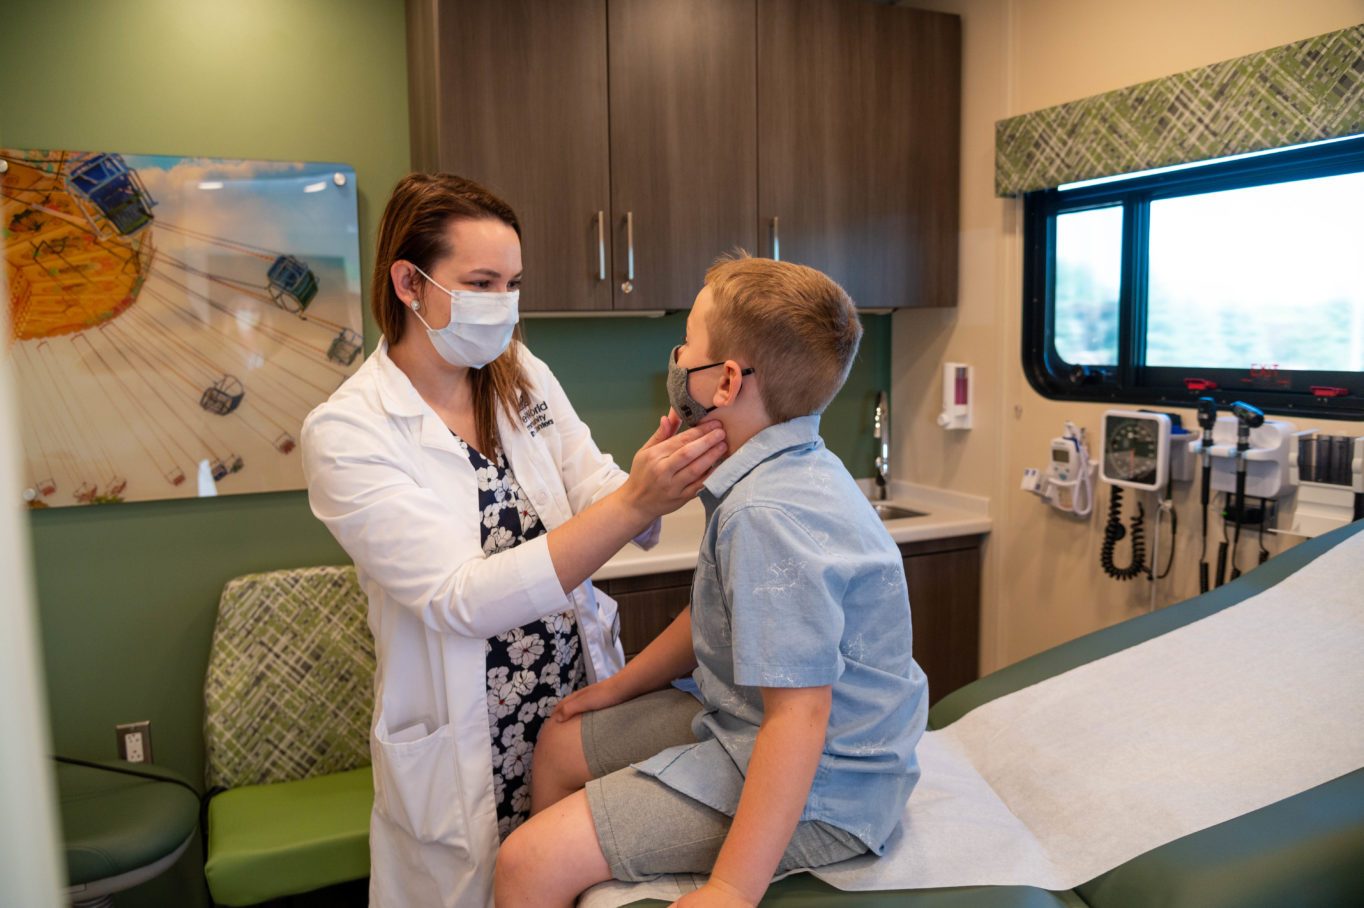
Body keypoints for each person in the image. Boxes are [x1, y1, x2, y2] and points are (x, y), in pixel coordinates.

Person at [301, 173, 727, 908]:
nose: (504, 302)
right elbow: (458, 599)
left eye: (514, 282)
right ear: (409, 281)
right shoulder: (347, 433)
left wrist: (656, 480)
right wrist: (632, 504)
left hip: (567, 704)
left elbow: (595, 484)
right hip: (467, 739)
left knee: (579, 886)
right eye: (482, 281)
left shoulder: (519, 375)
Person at [494, 255, 930, 908]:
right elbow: (713, 618)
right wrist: (613, 689)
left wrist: (731, 887)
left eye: (686, 346)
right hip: (744, 723)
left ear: (724, 381)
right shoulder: (772, 470)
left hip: (829, 785)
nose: (676, 360)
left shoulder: (766, 512)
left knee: (525, 863)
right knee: (560, 742)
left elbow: (801, 715)